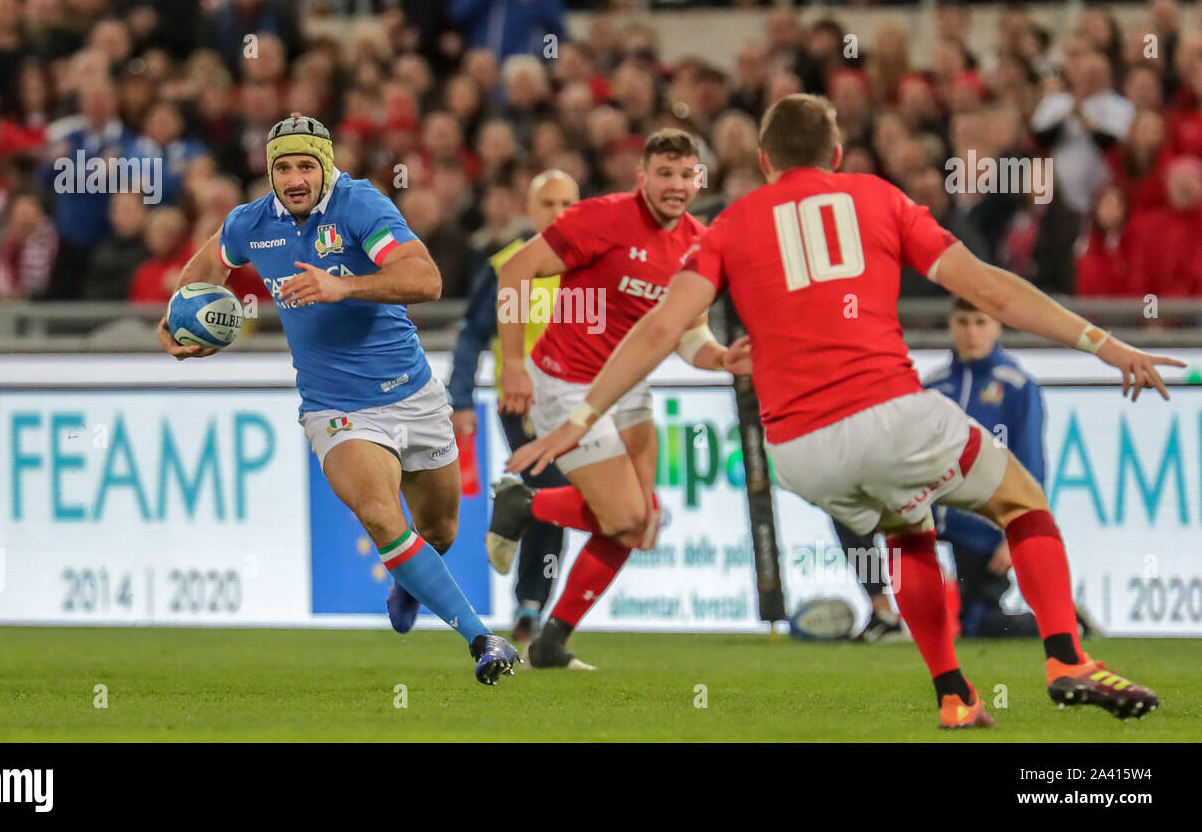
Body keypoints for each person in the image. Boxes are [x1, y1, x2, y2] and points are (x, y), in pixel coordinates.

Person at [510, 94, 1180, 726]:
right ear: (836, 155)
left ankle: (954, 696)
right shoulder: (880, 198)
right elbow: (990, 291)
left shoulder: (727, 226)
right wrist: (1100, 341)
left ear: (765, 163)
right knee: (1022, 502)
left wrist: (579, 418)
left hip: (800, 453)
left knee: (908, 531)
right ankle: (1068, 657)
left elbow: (660, 329)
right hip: (887, 411)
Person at [156, 113, 520, 686]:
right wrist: (178, 323)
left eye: (306, 165)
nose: (294, 177)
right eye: (283, 167)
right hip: (335, 406)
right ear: (270, 173)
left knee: (442, 531)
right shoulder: (251, 224)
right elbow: (203, 273)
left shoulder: (360, 207)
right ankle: (481, 637)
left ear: (326, 167)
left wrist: (342, 285)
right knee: (379, 515)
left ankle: (410, 583)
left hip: (413, 394)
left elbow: (426, 281)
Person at [486, 129, 752, 669]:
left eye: (686, 175)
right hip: (564, 381)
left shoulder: (699, 244)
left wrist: (721, 357)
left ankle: (551, 641)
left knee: (640, 523)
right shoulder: (601, 217)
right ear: (642, 178)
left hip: (628, 385)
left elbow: (689, 335)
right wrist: (513, 364)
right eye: (665, 174)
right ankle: (523, 504)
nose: (676, 185)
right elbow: (516, 270)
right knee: (629, 515)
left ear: (700, 180)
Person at [838, 297, 1084, 642]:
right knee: (849, 510)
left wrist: (1014, 535)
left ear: (997, 326)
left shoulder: (1016, 387)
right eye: (964, 322)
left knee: (979, 625)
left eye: (981, 323)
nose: (971, 332)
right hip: (929, 509)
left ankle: (1067, 621)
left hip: (979, 521)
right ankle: (882, 611)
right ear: (952, 325)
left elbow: (1030, 464)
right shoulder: (934, 385)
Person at [446, 169, 579, 643]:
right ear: (530, 209)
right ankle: (532, 605)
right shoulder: (510, 264)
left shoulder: (595, 264)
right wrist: (460, 398)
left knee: (562, 501)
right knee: (555, 485)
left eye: (568, 204)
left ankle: (521, 511)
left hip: (586, 405)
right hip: (524, 403)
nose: (559, 214)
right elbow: (470, 335)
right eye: (548, 205)